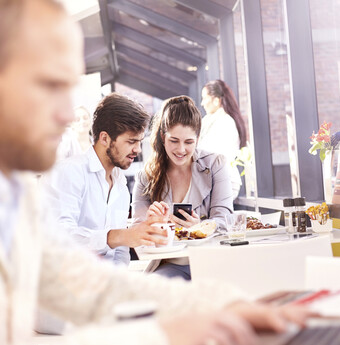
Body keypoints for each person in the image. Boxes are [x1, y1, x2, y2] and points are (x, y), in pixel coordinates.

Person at [0, 0, 310, 343]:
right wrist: (156, 330)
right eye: (48, 85)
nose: (67, 114)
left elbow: (86, 282)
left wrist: (225, 303)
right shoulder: (55, 179)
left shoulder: (16, 192)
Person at [44, 93, 165, 266]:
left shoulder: (120, 185)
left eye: (139, 141)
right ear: (105, 138)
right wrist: (120, 235)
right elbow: (60, 236)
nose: (137, 149)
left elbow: (120, 252)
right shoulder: (69, 172)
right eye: (131, 141)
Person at [132, 95, 232, 279]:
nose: (181, 150)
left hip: (212, 261)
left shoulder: (216, 164)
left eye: (188, 142)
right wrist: (152, 223)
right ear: (163, 137)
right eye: (174, 141)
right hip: (172, 266)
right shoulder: (146, 176)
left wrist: (201, 227)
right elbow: (137, 231)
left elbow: (225, 219)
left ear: (198, 138)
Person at [199, 80, 247, 199]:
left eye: (205, 98)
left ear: (216, 100)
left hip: (224, 181)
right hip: (213, 181)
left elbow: (216, 155)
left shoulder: (225, 122)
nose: (202, 103)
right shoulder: (208, 121)